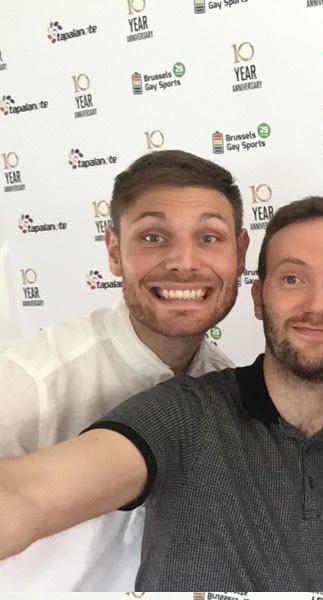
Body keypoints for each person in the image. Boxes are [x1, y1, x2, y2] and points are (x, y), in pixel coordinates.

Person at [0, 196, 323, 591]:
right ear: (259, 298)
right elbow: (24, 497)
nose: (317, 305)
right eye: (293, 279)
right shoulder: (183, 411)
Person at [0, 149, 249, 590]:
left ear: (241, 254)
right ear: (115, 251)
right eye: (153, 237)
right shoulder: (30, 380)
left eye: (209, 238)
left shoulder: (231, 393)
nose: (184, 262)